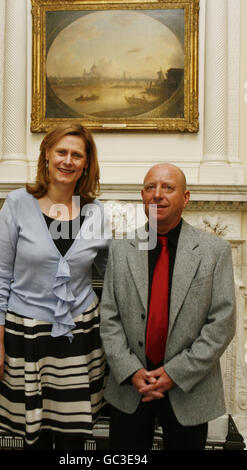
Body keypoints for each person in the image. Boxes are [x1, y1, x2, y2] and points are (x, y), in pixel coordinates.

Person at [0, 123, 110, 450]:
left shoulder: (96, 213)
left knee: (73, 438)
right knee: (33, 434)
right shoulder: (17, 203)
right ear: (47, 155)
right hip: (26, 337)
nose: (68, 160)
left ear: (86, 164)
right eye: (61, 152)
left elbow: (115, 277)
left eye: (77, 154)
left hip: (79, 340)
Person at [100, 163, 236, 450]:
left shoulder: (214, 252)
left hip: (189, 389)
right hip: (130, 387)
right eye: (151, 187)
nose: (157, 194)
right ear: (142, 195)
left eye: (168, 188)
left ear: (185, 198)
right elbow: (109, 318)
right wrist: (131, 370)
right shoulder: (120, 250)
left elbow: (221, 324)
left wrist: (175, 373)